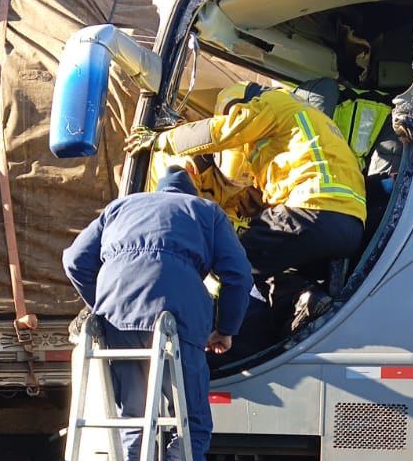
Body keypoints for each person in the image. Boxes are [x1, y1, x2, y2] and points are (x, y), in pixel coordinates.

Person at [62, 165, 253, 461]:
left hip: (117, 317)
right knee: (190, 422)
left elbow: (74, 261)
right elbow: (239, 275)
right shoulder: (205, 212)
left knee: (134, 420)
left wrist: (103, 305)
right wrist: (226, 331)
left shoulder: (119, 207)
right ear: (191, 192)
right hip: (176, 318)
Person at [126, 83, 366, 331]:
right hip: (350, 225)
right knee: (272, 259)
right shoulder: (312, 121)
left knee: (233, 262)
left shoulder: (274, 104)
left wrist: (161, 139)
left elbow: (221, 131)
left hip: (312, 207)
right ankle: (305, 300)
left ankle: (219, 328)